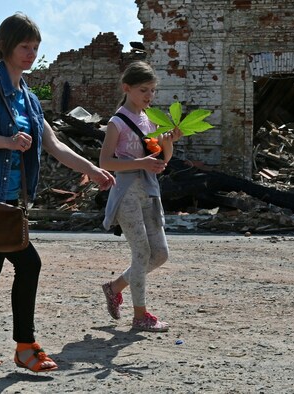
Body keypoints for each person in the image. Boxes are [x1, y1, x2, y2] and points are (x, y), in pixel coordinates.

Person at [0, 12, 115, 372]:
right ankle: (25, 347)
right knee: (30, 263)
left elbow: (54, 144)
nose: (31, 53)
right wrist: (6, 142)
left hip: (11, 199)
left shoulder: (28, 97)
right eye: (25, 46)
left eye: (36, 47)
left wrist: (92, 169)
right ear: (6, 46)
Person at [98, 61, 182, 332]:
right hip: (126, 194)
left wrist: (168, 143)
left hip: (149, 191)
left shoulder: (150, 120)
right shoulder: (117, 122)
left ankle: (115, 287)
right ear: (127, 88)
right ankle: (140, 315)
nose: (149, 96)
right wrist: (142, 163)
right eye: (144, 90)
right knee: (142, 252)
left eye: (153, 91)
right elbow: (105, 162)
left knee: (160, 254)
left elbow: (161, 160)